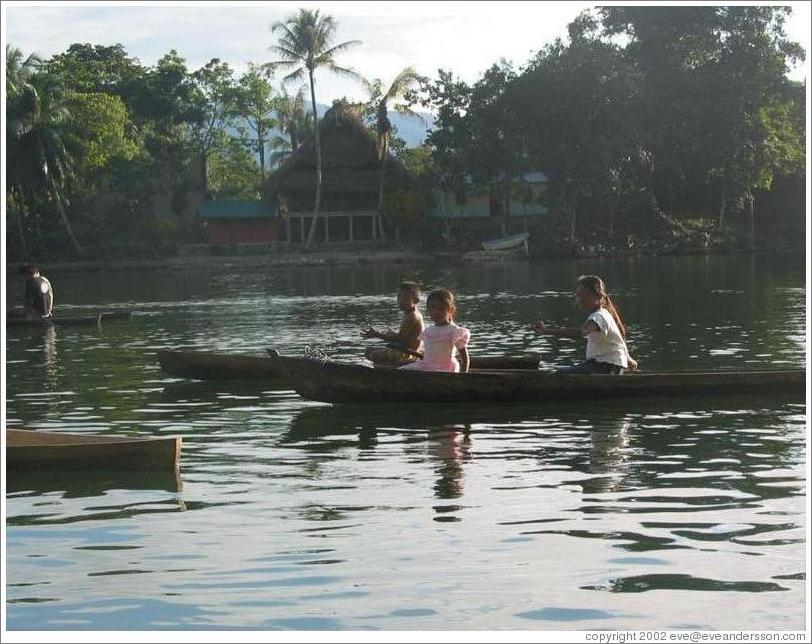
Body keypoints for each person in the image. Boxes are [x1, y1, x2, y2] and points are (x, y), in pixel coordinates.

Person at [533, 274, 637, 374]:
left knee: (560, 373)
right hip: (603, 365)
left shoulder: (599, 317)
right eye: (578, 295)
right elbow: (618, 339)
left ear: (599, 296)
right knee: (566, 369)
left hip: (606, 367)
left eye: (586, 295)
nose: (580, 299)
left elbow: (581, 332)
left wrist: (546, 331)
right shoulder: (602, 314)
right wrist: (627, 358)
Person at [401, 288, 470, 373]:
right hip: (427, 366)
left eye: (440, 308)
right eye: (432, 308)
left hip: (446, 368)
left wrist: (462, 377)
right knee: (403, 371)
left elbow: (465, 358)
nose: (435, 312)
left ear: (450, 310)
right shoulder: (428, 331)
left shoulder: (454, 331)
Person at [361, 281, 425, 365]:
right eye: (399, 297)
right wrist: (390, 334)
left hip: (407, 353)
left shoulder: (412, 316)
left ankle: (387, 371)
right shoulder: (410, 314)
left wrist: (377, 334)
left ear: (416, 300)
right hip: (404, 350)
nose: (401, 301)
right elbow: (405, 337)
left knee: (373, 355)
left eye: (405, 298)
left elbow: (399, 339)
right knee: (368, 351)